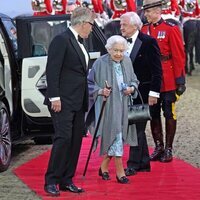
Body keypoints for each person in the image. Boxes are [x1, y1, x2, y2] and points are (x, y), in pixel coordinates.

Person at [43, 7, 95, 196]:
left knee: (74, 141)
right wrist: (54, 97)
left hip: (78, 100)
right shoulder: (61, 40)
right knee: (63, 139)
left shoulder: (81, 42)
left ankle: (67, 179)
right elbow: (52, 70)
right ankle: (51, 180)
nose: (92, 28)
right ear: (82, 23)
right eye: (91, 24)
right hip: (62, 101)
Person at [86, 35, 139, 184]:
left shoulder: (127, 61)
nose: (118, 54)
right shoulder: (100, 63)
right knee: (116, 134)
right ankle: (120, 172)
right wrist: (101, 91)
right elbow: (89, 83)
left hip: (124, 105)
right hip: (108, 106)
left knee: (119, 135)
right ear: (109, 49)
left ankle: (103, 167)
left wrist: (131, 88)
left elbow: (135, 80)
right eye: (115, 50)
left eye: (122, 51)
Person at [141, 0, 186, 163]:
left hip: (168, 78)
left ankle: (169, 148)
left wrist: (180, 79)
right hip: (151, 79)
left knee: (169, 112)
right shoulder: (144, 29)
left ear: (157, 11)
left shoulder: (170, 29)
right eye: (145, 12)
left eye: (149, 12)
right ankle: (158, 147)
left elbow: (179, 55)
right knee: (153, 113)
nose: (146, 15)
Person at [120, 12, 162, 176]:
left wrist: (154, 93)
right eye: (121, 24)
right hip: (126, 94)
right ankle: (143, 163)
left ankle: (133, 164)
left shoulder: (149, 42)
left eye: (124, 24)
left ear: (135, 25)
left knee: (136, 128)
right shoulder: (120, 42)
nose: (121, 27)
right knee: (136, 127)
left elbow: (157, 71)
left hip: (144, 93)